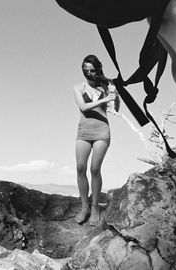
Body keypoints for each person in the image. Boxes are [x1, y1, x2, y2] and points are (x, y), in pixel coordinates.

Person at [73, 55, 119, 226]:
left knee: (94, 168)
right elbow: (83, 107)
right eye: (86, 70)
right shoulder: (78, 87)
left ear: (98, 70)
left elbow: (116, 107)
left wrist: (115, 94)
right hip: (84, 131)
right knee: (80, 167)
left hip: (102, 131)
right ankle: (84, 207)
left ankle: (94, 208)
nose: (89, 73)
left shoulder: (106, 87)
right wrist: (106, 98)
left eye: (92, 70)